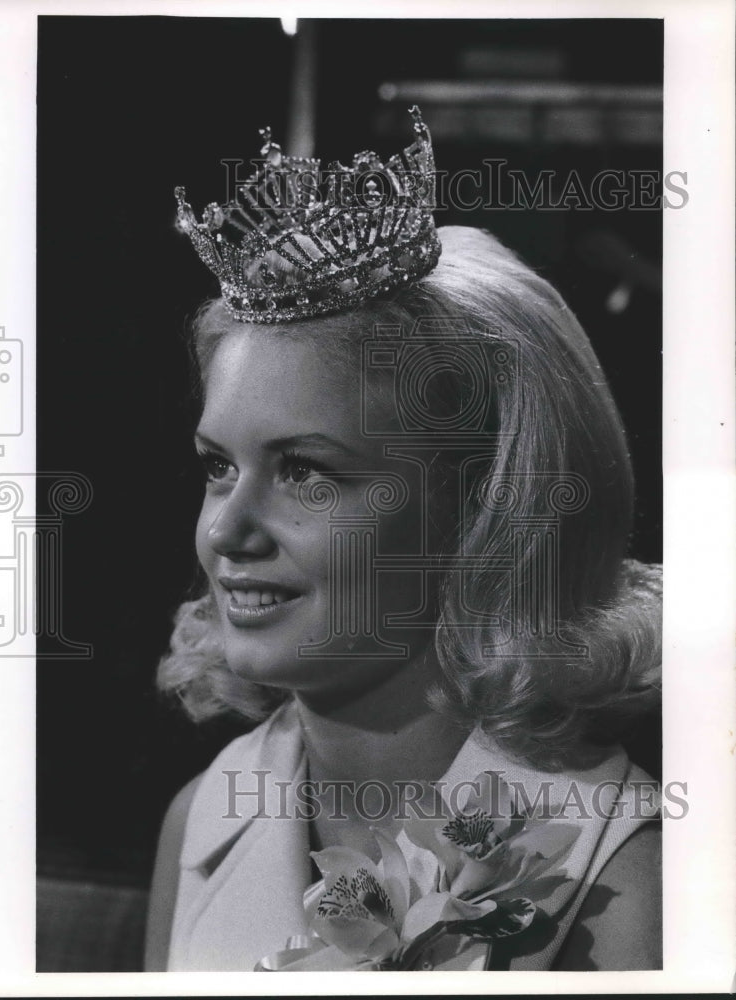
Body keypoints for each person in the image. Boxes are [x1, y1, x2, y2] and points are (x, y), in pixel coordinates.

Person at [145, 108, 662, 972]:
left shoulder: (627, 882)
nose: (225, 530)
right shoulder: (202, 819)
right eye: (217, 467)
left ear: (484, 505)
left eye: (307, 470)